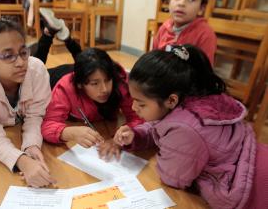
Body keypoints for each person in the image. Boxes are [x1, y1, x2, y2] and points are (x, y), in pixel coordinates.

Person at [110, 45, 268, 209]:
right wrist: (137, 135)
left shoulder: (184, 129)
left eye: (141, 104)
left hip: (255, 191)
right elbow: (161, 125)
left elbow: (172, 178)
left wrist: (161, 146)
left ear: (171, 100)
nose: (134, 108)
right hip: (256, 159)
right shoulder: (193, 96)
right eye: (132, 99)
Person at [0, 18, 56, 188]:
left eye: (23, 52)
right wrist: (22, 161)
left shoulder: (37, 69)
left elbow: (35, 116)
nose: (21, 63)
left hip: (13, 104)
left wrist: (32, 146)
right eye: (8, 56)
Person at [38, 8, 144, 148]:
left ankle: (68, 38)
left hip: (85, 71)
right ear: (81, 85)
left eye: (108, 80)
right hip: (55, 77)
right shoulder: (66, 87)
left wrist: (130, 131)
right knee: (34, 70)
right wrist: (69, 132)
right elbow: (48, 125)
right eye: (95, 84)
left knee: (89, 61)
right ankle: (49, 33)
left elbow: (138, 118)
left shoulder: (120, 80)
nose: (105, 89)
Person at [153, 0, 217, 65]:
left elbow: (204, 71)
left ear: (201, 8)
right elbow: (153, 57)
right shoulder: (163, 28)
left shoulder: (205, 35)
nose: (181, 3)